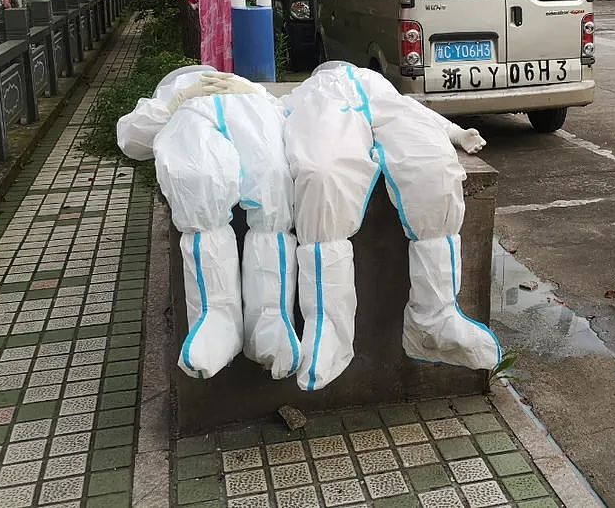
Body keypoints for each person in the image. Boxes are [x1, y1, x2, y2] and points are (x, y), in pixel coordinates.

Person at [285, 62, 500, 391]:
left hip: (378, 99)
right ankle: (328, 327)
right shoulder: (310, 90)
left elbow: (415, 113)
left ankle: (435, 316)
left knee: (434, 164)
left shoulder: (375, 82)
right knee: (323, 172)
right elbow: (286, 121)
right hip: (327, 105)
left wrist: (455, 133)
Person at [117, 67, 299, 380]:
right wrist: (174, 103)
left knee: (272, 179)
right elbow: (132, 138)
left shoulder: (239, 85)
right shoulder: (173, 93)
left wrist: (254, 94)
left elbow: (284, 111)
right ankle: (215, 321)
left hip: (250, 115)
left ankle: (273, 323)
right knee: (198, 177)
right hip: (194, 120)